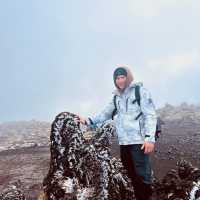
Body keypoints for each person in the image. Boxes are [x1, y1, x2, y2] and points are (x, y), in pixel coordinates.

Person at [79, 66, 157, 200]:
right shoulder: (116, 98)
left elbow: (150, 115)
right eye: (117, 78)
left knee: (142, 176)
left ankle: (146, 197)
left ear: (128, 78)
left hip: (139, 141)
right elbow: (104, 114)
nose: (120, 80)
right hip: (124, 143)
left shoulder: (140, 92)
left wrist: (149, 138)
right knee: (131, 174)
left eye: (122, 77)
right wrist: (88, 120)